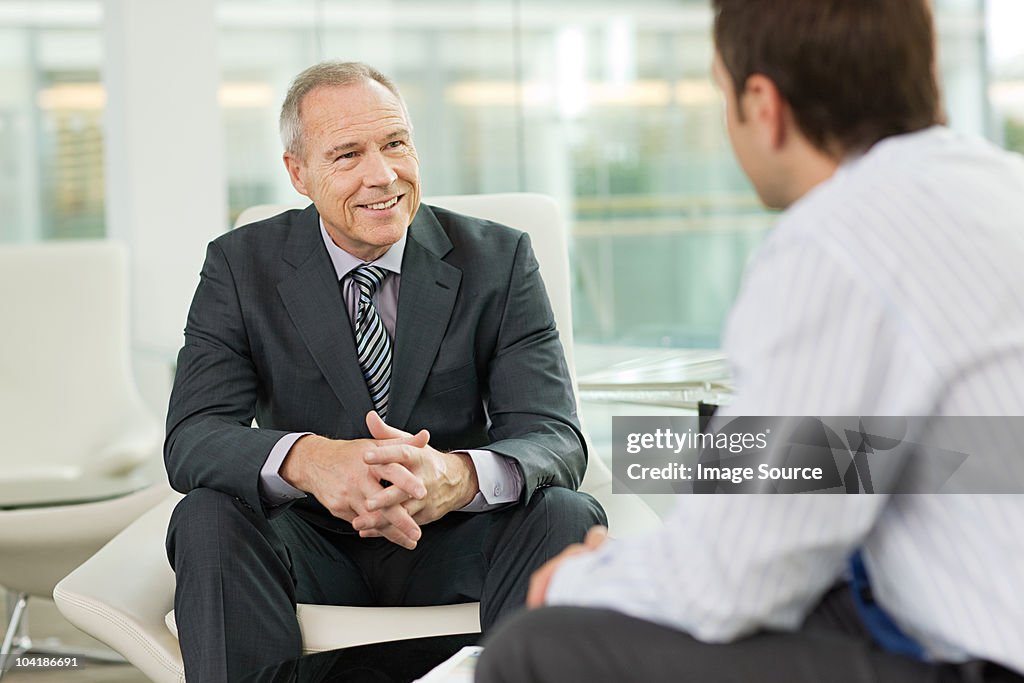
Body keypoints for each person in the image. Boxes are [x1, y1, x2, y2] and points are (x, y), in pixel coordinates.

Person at [476, 1, 1024, 681]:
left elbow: (734, 573)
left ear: (763, 104)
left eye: (721, 92)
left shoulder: (837, 238)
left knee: (534, 646)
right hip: (956, 598)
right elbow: (849, 468)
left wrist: (580, 579)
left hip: (986, 656)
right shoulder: (999, 185)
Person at [163, 61, 606, 682]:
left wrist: (454, 476)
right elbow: (193, 436)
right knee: (206, 513)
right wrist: (312, 461)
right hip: (310, 545)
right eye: (347, 155)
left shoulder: (500, 259)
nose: (383, 175)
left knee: (565, 512)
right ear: (299, 173)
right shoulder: (240, 266)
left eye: (395, 143)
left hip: (454, 540)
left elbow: (554, 435)